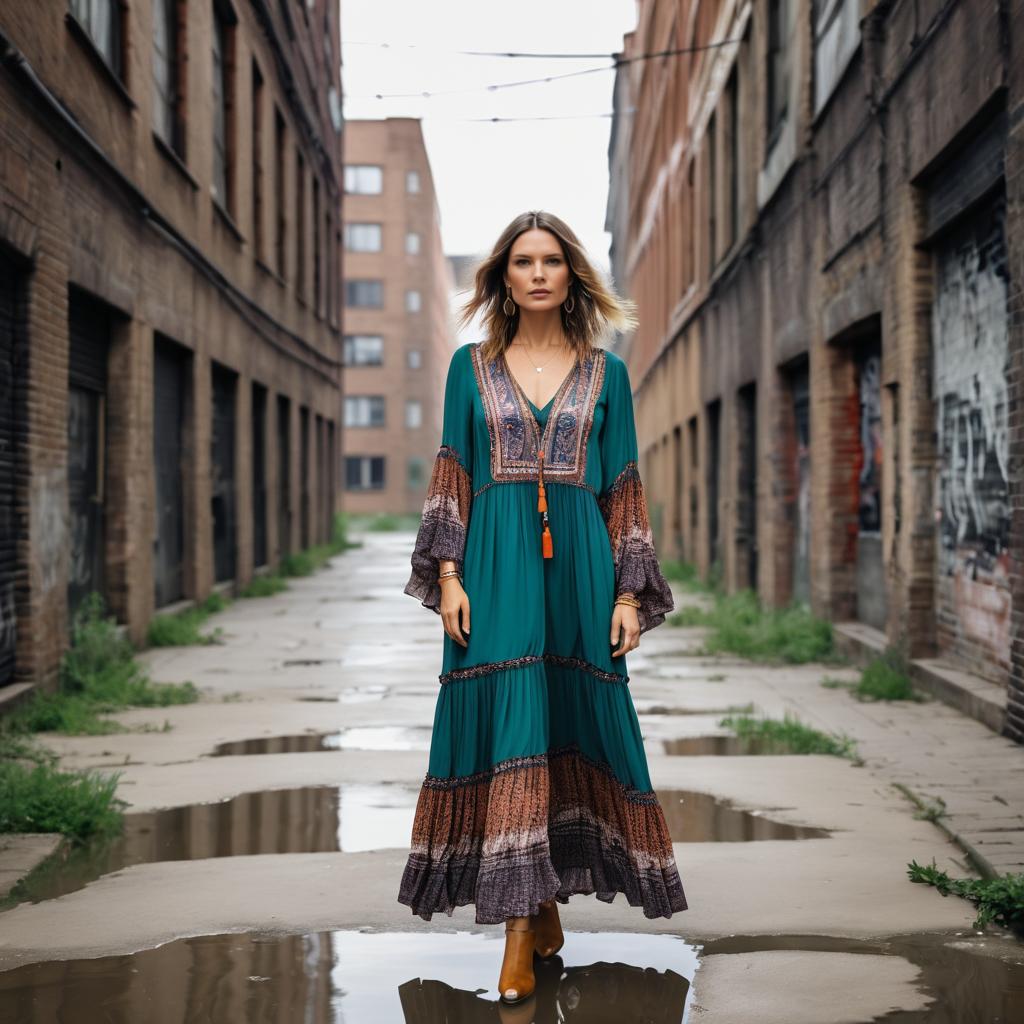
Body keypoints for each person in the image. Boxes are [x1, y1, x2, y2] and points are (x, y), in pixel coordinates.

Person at [398, 210, 688, 1006]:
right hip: (493, 566)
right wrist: (449, 576)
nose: (535, 273)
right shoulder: (470, 365)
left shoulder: (608, 374)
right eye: (521, 261)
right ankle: (522, 923)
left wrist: (629, 591)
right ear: (503, 277)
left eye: (550, 261)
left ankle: (538, 899)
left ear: (570, 277)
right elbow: (452, 470)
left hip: (583, 572)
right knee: (512, 722)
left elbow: (623, 486)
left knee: (566, 723)